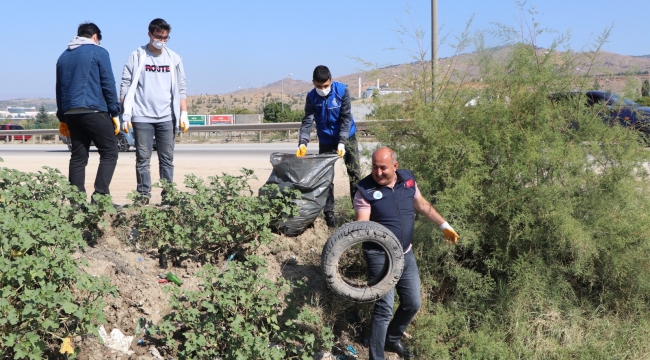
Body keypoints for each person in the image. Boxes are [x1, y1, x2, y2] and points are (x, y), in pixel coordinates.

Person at [354, 147, 459, 360]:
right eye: (374, 167)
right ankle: (377, 357)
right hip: (379, 255)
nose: (378, 172)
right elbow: (362, 226)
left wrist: (444, 226)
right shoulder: (364, 190)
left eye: (383, 168)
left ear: (395, 166)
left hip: (405, 253)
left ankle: (391, 340)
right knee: (384, 309)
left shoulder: (408, 180)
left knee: (412, 303)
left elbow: (420, 204)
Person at [120, 18, 189, 205]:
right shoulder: (137, 56)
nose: (162, 40)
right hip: (142, 116)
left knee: (167, 159)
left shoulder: (174, 59)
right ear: (150, 34)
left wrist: (183, 113)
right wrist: (124, 113)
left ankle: (168, 196)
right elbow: (125, 85)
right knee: (143, 158)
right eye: (158, 36)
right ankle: (143, 196)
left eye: (165, 38)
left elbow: (181, 88)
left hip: (167, 116)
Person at [56, 22, 121, 200]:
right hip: (93, 110)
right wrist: (114, 112)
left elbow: (59, 88)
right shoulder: (99, 52)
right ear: (95, 36)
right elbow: (108, 83)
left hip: (71, 113)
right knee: (109, 151)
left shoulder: (63, 56)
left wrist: (62, 116)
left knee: (78, 156)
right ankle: (100, 197)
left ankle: (77, 203)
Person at [296, 65, 361, 228]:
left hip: (348, 137)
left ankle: (359, 210)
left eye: (325, 86)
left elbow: (346, 118)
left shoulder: (341, 91)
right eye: (318, 86)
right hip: (326, 140)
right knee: (326, 178)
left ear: (331, 81)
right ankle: (329, 214)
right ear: (313, 83)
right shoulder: (312, 97)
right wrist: (303, 142)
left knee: (354, 173)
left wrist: (343, 142)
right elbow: (308, 121)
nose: (322, 89)